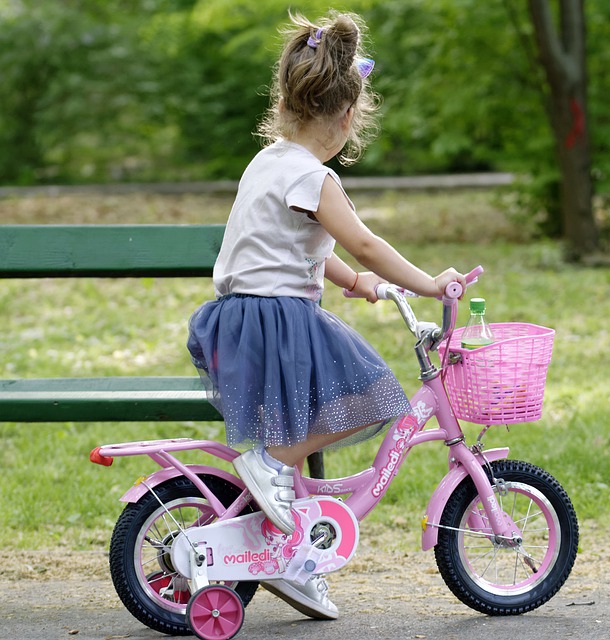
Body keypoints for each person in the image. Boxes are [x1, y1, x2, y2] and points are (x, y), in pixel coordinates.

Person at [186, 10, 465, 621]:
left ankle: (290, 554)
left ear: (287, 102)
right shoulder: (316, 178)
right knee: (371, 398)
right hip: (275, 323)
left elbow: (294, 244)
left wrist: (353, 282)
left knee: (334, 403)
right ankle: (270, 464)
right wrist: (428, 284)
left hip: (238, 321)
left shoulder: (268, 162)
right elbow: (363, 242)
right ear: (346, 118)